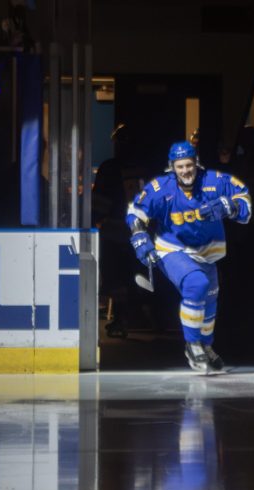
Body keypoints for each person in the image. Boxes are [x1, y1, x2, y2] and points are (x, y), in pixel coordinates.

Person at [125, 140, 252, 373]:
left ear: (196, 163)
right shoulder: (160, 188)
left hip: (207, 253)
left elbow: (244, 200)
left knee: (210, 301)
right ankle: (192, 345)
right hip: (172, 249)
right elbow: (136, 212)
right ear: (172, 167)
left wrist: (229, 207)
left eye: (189, 165)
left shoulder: (214, 181)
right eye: (180, 166)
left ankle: (205, 345)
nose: (185, 171)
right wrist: (139, 237)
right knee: (197, 284)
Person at [92, 124, 147, 338]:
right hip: (141, 233)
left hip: (115, 232)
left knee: (116, 277)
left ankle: (121, 319)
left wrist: (93, 219)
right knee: (135, 274)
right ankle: (144, 315)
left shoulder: (110, 168)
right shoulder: (146, 169)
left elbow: (99, 202)